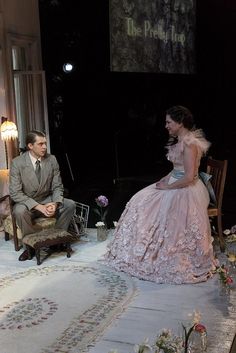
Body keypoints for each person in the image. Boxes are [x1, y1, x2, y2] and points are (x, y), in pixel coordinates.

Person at [102, 105, 218, 284]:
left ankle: (162, 252)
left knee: (157, 206)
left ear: (180, 123)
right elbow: (175, 170)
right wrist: (162, 182)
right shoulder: (179, 141)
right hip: (176, 182)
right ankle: (137, 249)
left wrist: (168, 188)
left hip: (187, 189)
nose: (166, 126)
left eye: (169, 122)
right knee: (139, 198)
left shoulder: (190, 143)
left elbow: (189, 177)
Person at [9, 130, 76, 261]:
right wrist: (38, 207)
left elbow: (57, 186)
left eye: (45, 143)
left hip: (47, 199)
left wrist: (55, 203)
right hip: (28, 202)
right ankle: (30, 247)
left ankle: (56, 241)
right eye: (40, 144)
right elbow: (15, 193)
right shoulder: (17, 163)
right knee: (19, 210)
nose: (45, 147)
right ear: (30, 146)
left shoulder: (52, 159)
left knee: (70, 204)